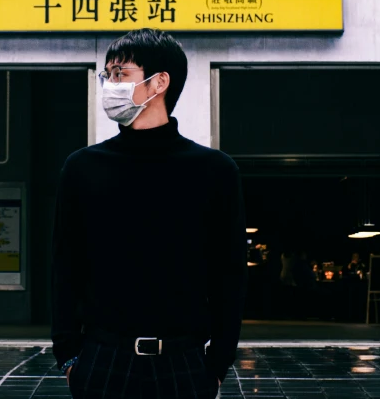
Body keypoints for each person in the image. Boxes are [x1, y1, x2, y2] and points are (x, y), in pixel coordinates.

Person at [51, 28, 248, 398]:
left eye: (120, 74)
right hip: (101, 359)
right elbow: (65, 265)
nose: (110, 84)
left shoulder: (214, 170)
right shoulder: (82, 168)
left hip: (184, 362)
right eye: (106, 75)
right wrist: (69, 357)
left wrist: (217, 364)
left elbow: (229, 274)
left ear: (159, 82)